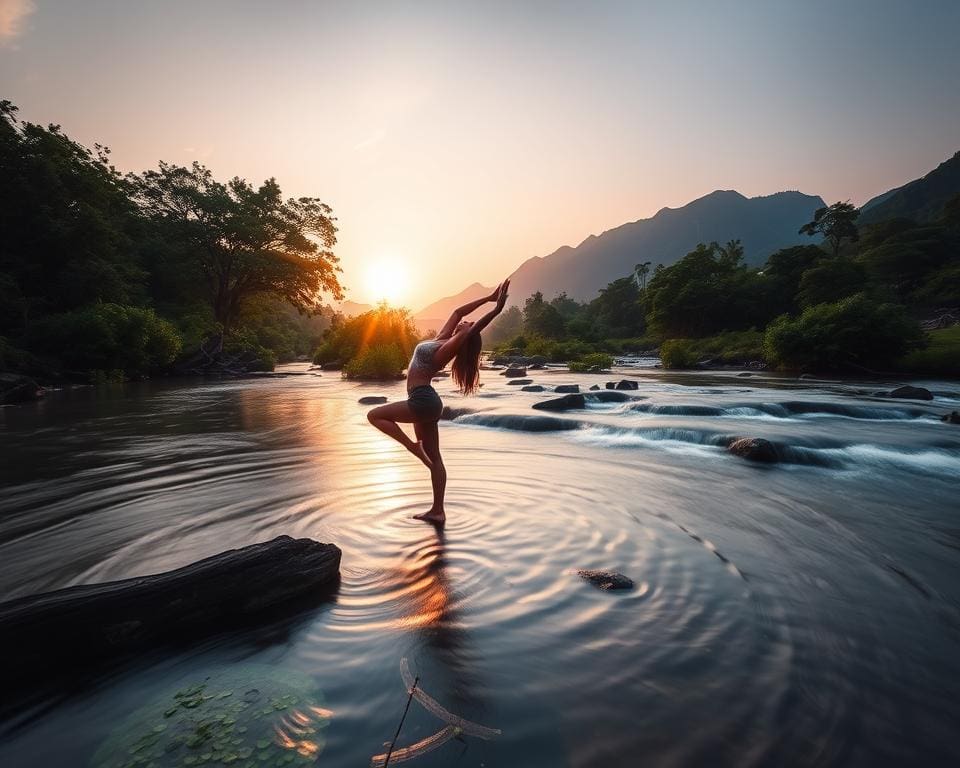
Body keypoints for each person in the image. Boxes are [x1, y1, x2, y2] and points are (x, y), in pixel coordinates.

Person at [366, 279, 510, 526]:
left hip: (423, 399)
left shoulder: (448, 348)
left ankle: (412, 447)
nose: (467, 320)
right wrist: (488, 298)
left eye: (469, 325)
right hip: (426, 402)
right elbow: (457, 312)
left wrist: (495, 311)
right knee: (434, 460)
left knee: (375, 415)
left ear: (464, 335)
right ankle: (437, 511)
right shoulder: (442, 339)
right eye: (468, 321)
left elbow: (472, 329)